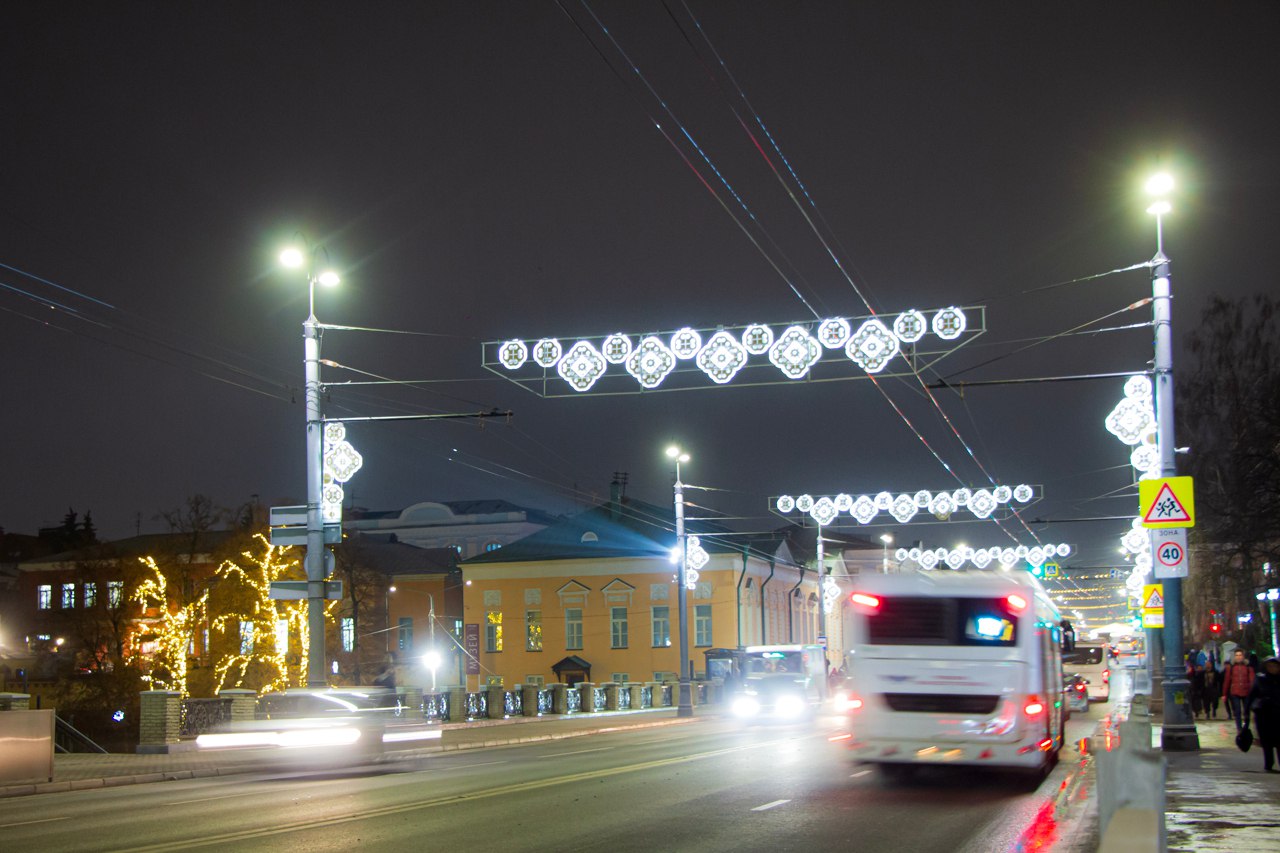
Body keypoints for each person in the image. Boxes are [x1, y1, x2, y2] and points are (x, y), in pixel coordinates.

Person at [1245, 657, 1280, 773]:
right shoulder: (1260, 679)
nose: (1273, 669)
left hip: (1278, 714)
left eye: (1275, 666)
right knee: (1267, 742)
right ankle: (1269, 764)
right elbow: (1252, 696)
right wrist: (1247, 714)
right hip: (1264, 715)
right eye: (1270, 666)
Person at [1224, 648, 1256, 731]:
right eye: (1237, 655)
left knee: (1246, 711)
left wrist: (1252, 692)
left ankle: (1246, 727)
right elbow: (1227, 681)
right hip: (1235, 692)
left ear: (1243, 656)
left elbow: (1252, 680)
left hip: (1246, 691)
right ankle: (1239, 729)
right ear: (1234, 657)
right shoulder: (1231, 668)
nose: (1238, 657)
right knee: (1237, 711)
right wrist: (1224, 694)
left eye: (1240, 655)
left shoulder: (1248, 667)